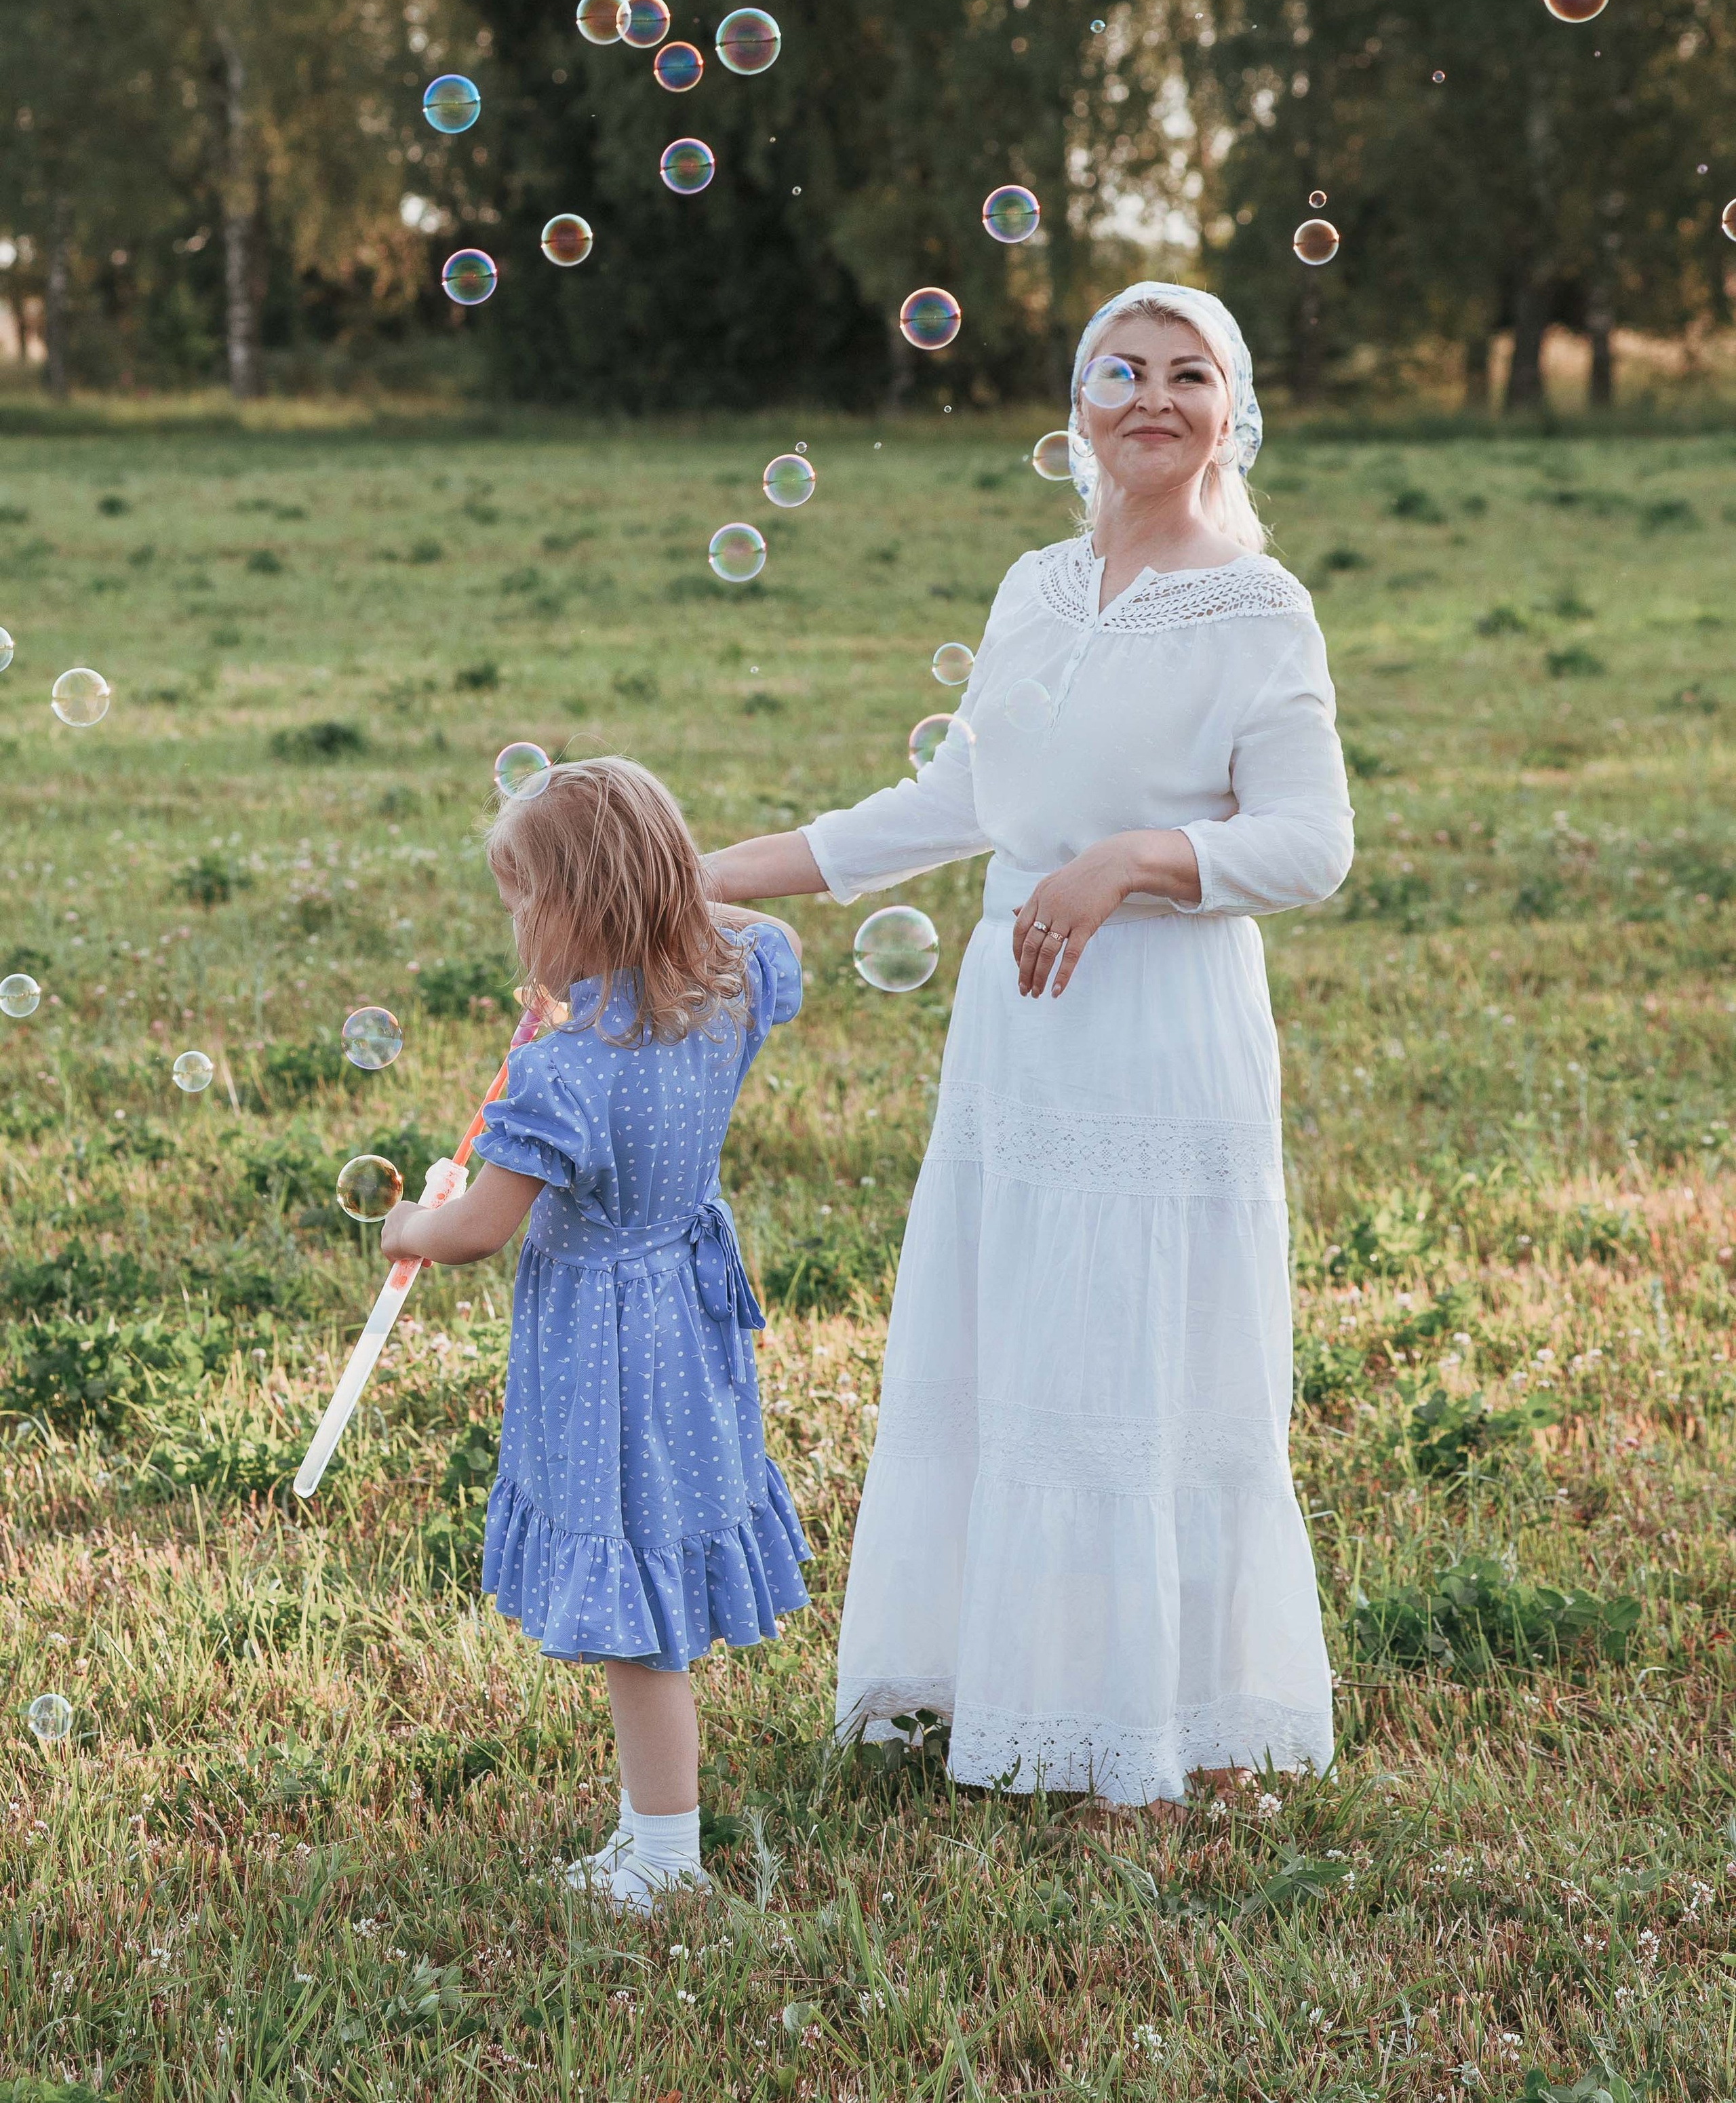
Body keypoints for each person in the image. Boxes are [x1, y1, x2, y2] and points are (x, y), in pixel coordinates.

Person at [703, 280, 1354, 1805]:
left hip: (1157, 1027)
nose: (1150, 397)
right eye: (1118, 370)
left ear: (1227, 411)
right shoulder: (1031, 590)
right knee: (1017, 1344)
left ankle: (1136, 1719)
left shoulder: (1259, 607)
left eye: (1186, 375)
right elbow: (955, 806)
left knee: (1126, 1354)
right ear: (1074, 407)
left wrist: (1134, 860)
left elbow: (1313, 846)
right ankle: (991, 1685)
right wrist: (720, 868)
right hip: (1019, 1029)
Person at [377, 756, 810, 1908]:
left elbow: (478, 1228)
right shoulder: (734, 981)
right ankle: (647, 1835)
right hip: (687, 1306)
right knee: (654, 1567)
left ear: (578, 907)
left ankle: (664, 1854)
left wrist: (407, 1223)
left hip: (605, 1347)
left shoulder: (559, 1072)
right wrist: (658, 898)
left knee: (636, 1614)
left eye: (525, 897)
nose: (514, 921)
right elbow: (748, 924)